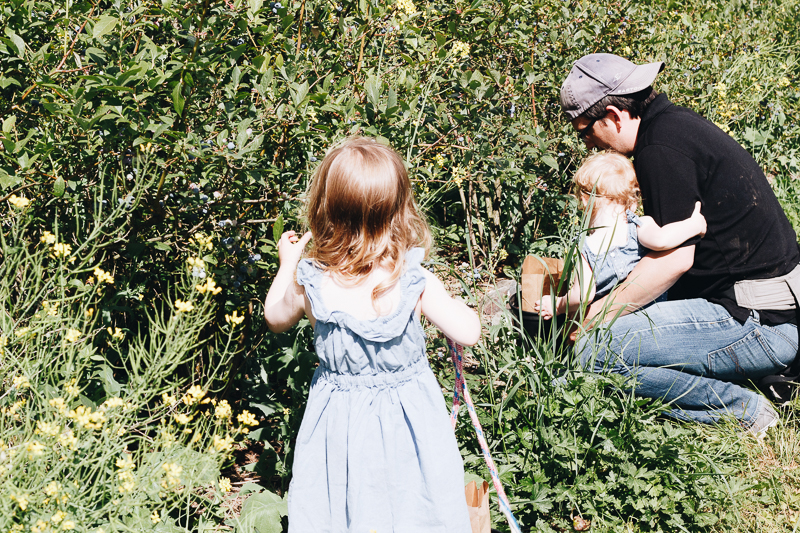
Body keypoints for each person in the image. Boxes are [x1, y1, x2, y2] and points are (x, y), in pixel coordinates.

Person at [559, 53, 800, 436]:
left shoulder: (660, 152)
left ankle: (747, 410)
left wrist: (596, 317)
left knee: (591, 351)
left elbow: (672, 263)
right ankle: (765, 378)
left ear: (613, 115)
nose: (588, 143)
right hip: (769, 309)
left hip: (760, 325)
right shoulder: (672, 127)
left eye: (584, 130)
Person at [263, 136, 480, 531]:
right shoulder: (414, 279)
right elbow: (468, 332)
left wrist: (286, 264)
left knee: (340, 506)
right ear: (398, 210)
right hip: (409, 424)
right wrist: (455, 303)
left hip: (337, 428)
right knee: (416, 504)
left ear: (325, 207)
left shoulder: (309, 282)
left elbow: (275, 317)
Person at [534, 151, 706, 320]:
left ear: (585, 200)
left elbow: (582, 296)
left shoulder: (584, 247)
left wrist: (558, 305)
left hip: (613, 325)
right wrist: (694, 225)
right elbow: (662, 240)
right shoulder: (639, 226)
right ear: (632, 199)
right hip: (655, 318)